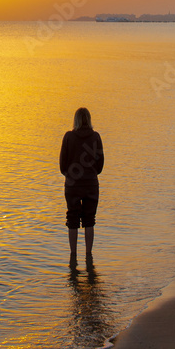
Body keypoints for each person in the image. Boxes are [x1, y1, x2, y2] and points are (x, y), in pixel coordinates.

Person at [59, 107, 104, 265]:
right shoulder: (96, 137)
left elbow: (62, 164)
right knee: (89, 220)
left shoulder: (69, 137)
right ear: (89, 120)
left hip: (72, 185)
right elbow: (100, 164)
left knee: (72, 219)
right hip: (91, 183)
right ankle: (89, 256)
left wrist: (70, 176)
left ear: (76, 120)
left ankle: (73, 257)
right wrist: (90, 174)